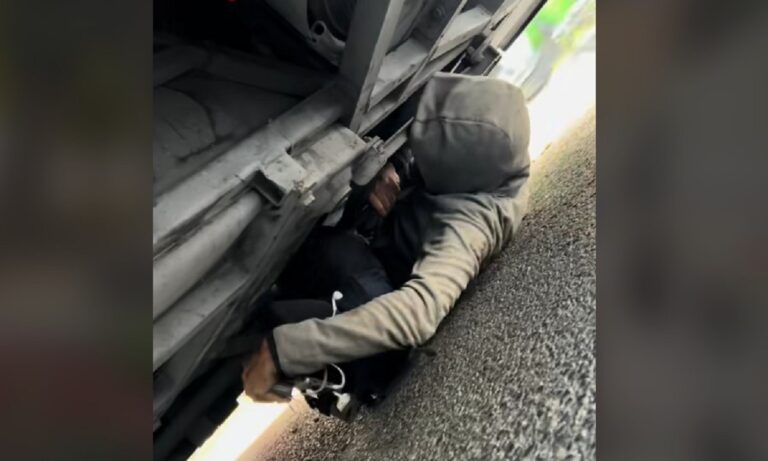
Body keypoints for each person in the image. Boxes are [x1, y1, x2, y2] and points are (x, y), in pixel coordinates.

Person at [242, 72, 531, 404]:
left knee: (378, 338)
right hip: (378, 237)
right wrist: (393, 162)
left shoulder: (472, 225)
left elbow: (419, 313)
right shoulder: (485, 143)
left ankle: (320, 362)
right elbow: (430, 125)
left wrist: (288, 350)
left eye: (427, 149)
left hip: (379, 274)